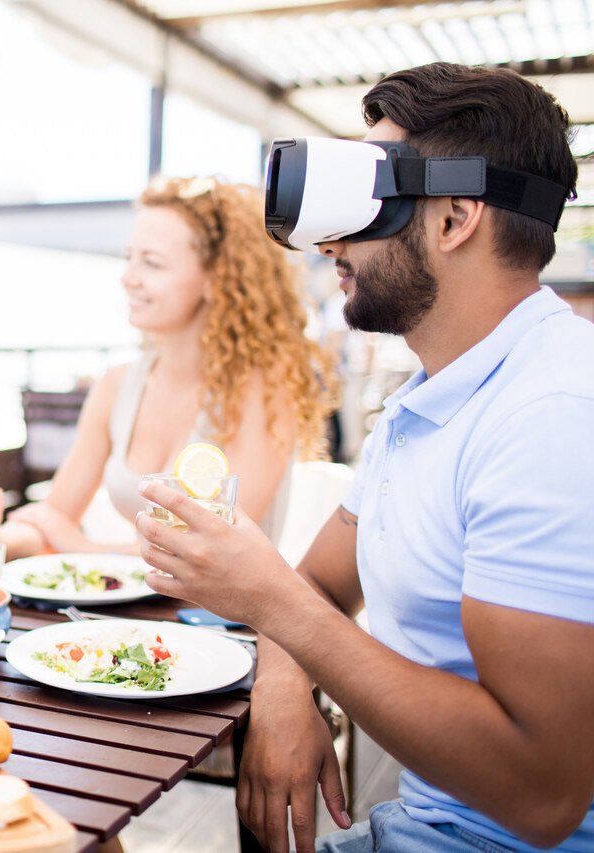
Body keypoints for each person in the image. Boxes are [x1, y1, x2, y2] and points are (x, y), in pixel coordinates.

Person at [137, 63, 593, 852]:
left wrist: (272, 604)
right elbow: (316, 582)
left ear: (454, 218)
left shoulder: (553, 416)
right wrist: (284, 685)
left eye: (367, 200)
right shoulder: (432, 400)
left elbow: (541, 793)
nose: (330, 240)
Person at [0, 176, 332, 558]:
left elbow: (219, 550)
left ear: (215, 279)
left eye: (152, 263)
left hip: (220, 618)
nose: (128, 278)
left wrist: (81, 548)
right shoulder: (116, 386)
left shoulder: (262, 392)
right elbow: (52, 519)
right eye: (129, 258)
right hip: (134, 613)